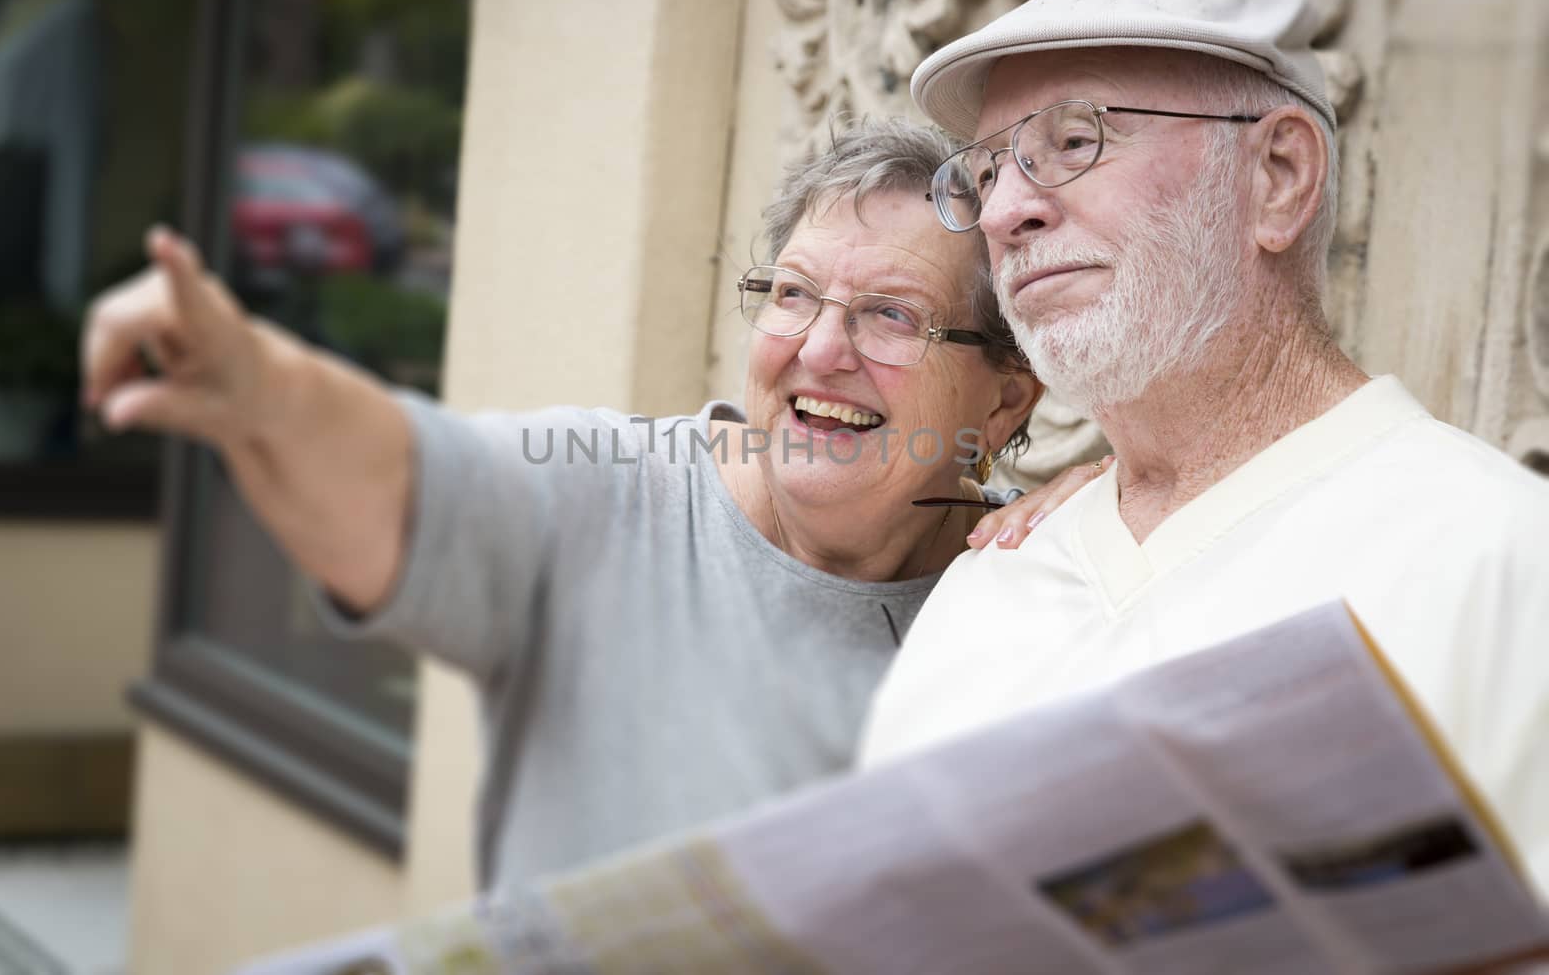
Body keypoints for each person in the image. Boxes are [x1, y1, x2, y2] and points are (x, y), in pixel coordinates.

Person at [81, 119, 1102, 890]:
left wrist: (1117, 513)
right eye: (792, 294)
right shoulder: (607, 497)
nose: (818, 349)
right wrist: (258, 385)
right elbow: (406, 479)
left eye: (890, 315)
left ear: (1007, 392)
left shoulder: (1034, 584)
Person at [858, 0, 1549, 897]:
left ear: (1278, 176)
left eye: (1074, 139)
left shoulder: (1501, 556)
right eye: (984, 172)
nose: (1004, 211)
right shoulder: (990, 582)